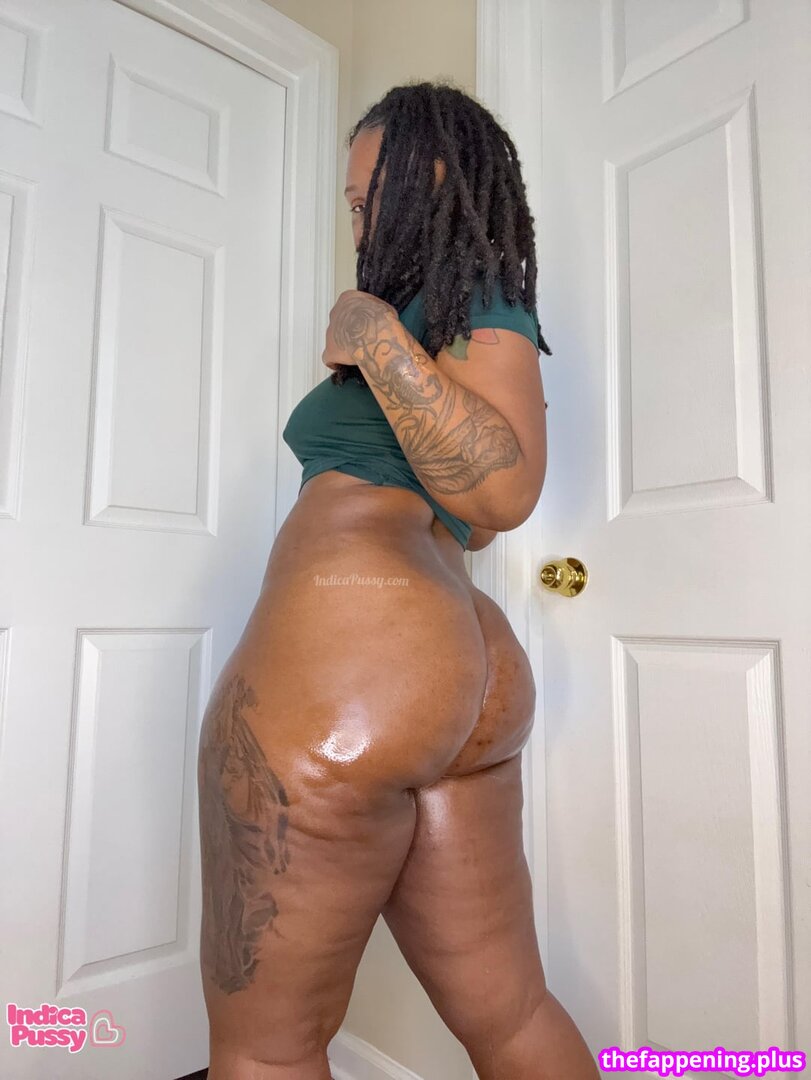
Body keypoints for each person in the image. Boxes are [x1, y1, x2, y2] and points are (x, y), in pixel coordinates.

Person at [196, 80, 599, 1080]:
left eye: (366, 195)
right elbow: (470, 505)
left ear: (433, 177)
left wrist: (371, 333)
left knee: (264, 1050)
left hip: (354, 664)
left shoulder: (464, 299)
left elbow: (502, 491)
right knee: (510, 1012)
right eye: (350, 203)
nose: (357, 219)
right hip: (448, 659)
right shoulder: (455, 310)